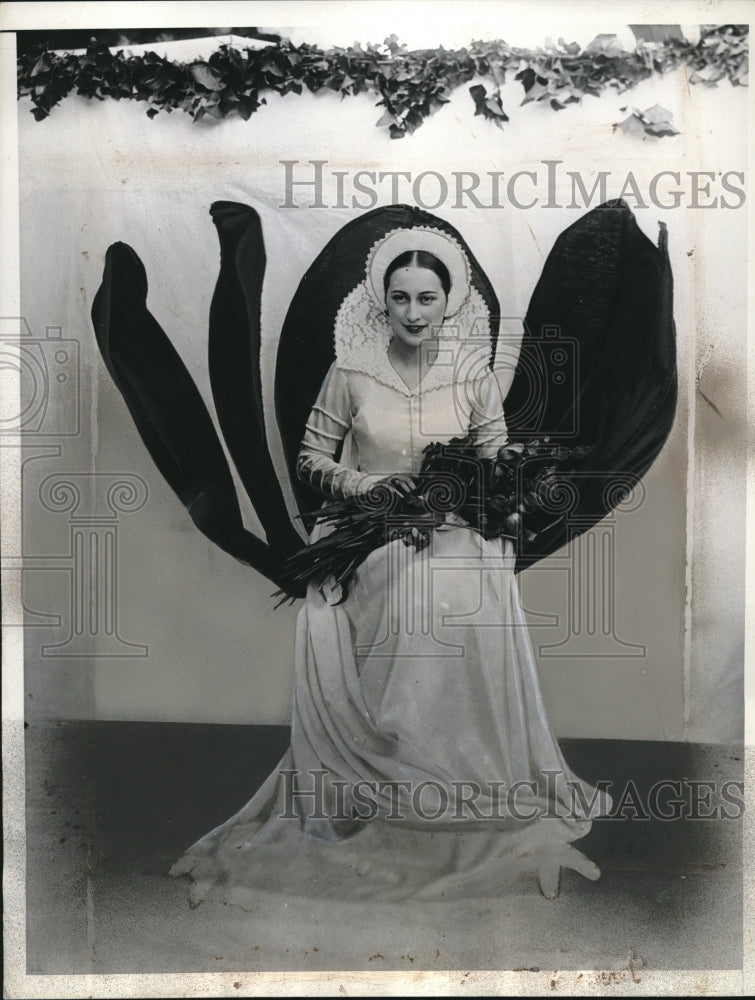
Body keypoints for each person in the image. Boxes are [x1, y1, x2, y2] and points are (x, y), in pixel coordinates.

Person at [169, 225, 612, 904]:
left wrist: (475, 492)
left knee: (454, 575)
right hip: (367, 527)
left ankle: (461, 778)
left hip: (455, 522)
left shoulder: (472, 373)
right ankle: (393, 762)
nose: (412, 312)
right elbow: (312, 460)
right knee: (414, 580)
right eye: (400, 298)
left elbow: (494, 457)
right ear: (382, 300)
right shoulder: (351, 372)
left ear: (447, 302)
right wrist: (367, 488)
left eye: (426, 298)